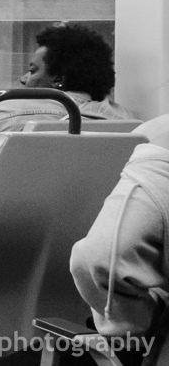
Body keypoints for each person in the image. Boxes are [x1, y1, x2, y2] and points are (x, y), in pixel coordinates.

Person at [70, 113, 169, 357]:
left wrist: (131, 332)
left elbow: (101, 257)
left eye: (30, 70)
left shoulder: (156, 137)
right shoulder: (125, 118)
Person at [0, 22, 135, 138]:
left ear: (58, 80)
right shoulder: (129, 122)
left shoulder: (1, 111)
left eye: (32, 71)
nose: (23, 78)